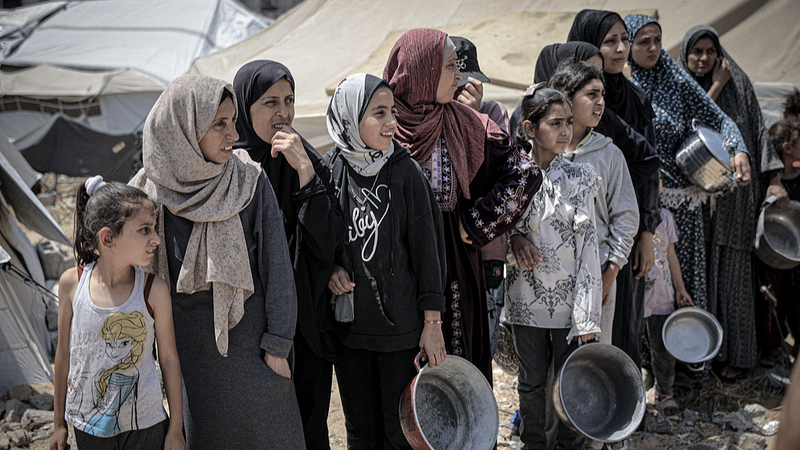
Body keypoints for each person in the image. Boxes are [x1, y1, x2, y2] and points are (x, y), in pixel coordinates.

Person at [129, 74, 305, 449]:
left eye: (233, 121)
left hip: (253, 352)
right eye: (219, 124)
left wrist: (278, 347)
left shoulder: (248, 182)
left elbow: (278, 269)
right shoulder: (147, 194)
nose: (233, 134)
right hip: (189, 361)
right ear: (184, 129)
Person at [383, 28, 542, 382]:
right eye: (450, 66)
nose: (459, 76)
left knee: (454, 374)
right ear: (421, 70)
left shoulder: (466, 123)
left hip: (451, 267)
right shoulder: (381, 125)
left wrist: (476, 224)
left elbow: (525, 172)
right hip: (395, 269)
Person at [324, 73, 446, 450]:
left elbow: (429, 253)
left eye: (392, 111)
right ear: (350, 117)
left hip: (401, 334)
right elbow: (319, 240)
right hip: (350, 333)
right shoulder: (330, 171)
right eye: (379, 113)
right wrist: (331, 269)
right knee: (360, 431)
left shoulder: (406, 172)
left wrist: (432, 323)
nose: (392, 121)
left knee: (401, 432)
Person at [232, 60, 345, 449]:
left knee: (309, 428)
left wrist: (305, 174)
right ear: (244, 108)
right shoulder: (229, 169)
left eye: (289, 100)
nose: (283, 113)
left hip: (306, 325)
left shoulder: (308, 160)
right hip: (248, 328)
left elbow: (328, 242)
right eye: (270, 102)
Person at [624, 14, 751, 314]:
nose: (653, 48)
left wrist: (739, 149)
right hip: (641, 207)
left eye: (657, 40)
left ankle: (690, 345)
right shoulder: (621, 86)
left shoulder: (676, 80)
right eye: (644, 42)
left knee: (686, 291)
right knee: (646, 290)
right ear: (628, 46)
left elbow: (720, 119)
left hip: (682, 206)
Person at [678, 25, 786, 377]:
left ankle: (736, 358)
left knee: (735, 277)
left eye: (710, 51)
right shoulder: (678, 85)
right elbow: (686, 127)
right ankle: (697, 360)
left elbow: (758, 131)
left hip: (736, 199)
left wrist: (774, 179)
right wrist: (716, 85)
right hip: (697, 200)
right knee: (700, 276)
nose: (703, 58)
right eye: (696, 51)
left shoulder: (739, 85)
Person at [52, 177, 185, 450]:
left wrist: (175, 429)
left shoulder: (153, 290)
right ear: (108, 238)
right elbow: (63, 355)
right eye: (145, 230)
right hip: (88, 425)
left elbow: (169, 359)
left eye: (154, 229)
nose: (156, 239)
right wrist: (58, 425)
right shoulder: (71, 284)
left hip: (146, 424)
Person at [507, 84, 602, 450]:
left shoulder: (579, 178)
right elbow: (496, 228)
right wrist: (515, 240)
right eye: (555, 123)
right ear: (530, 129)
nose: (565, 131)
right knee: (531, 382)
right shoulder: (512, 177)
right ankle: (532, 443)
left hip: (568, 305)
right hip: (524, 301)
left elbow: (589, 249)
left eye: (568, 122)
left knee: (569, 384)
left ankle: (569, 447)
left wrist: (586, 316)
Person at [567, 9, 662, 367]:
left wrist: (646, 231)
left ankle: (622, 389)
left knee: (623, 315)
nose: (621, 49)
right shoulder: (566, 104)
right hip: (577, 235)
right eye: (610, 41)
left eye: (624, 39)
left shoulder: (636, 100)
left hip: (624, 230)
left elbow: (650, 166)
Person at [547, 60, 639, 345]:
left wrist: (610, 273)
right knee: (548, 363)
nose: (600, 102)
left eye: (602, 94)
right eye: (591, 94)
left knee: (590, 361)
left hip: (596, 277)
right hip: (546, 279)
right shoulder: (542, 150)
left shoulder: (608, 155)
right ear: (566, 97)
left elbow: (626, 216)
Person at [450, 35, 511, 357]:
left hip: (487, 248)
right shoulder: (430, 119)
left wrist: (472, 118)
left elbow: (496, 177)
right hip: (446, 248)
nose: (462, 90)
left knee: (482, 342)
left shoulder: (492, 113)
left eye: (469, 83)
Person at [643, 174, 694, 416]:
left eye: (659, 178)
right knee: (632, 345)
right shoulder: (629, 214)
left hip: (662, 295)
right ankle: (633, 392)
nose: (655, 183)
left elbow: (671, 256)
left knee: (663, 348)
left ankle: (664, 392)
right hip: (636, 296)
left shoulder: (665, 217)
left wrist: (680, 289)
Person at [757, 97, 800, 362]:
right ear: (787, 148)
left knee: (796, 301)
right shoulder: (768, 184)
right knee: (771, 301)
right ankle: (772, 349)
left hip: (797, 254)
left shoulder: (798, 177)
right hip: (772, 253)